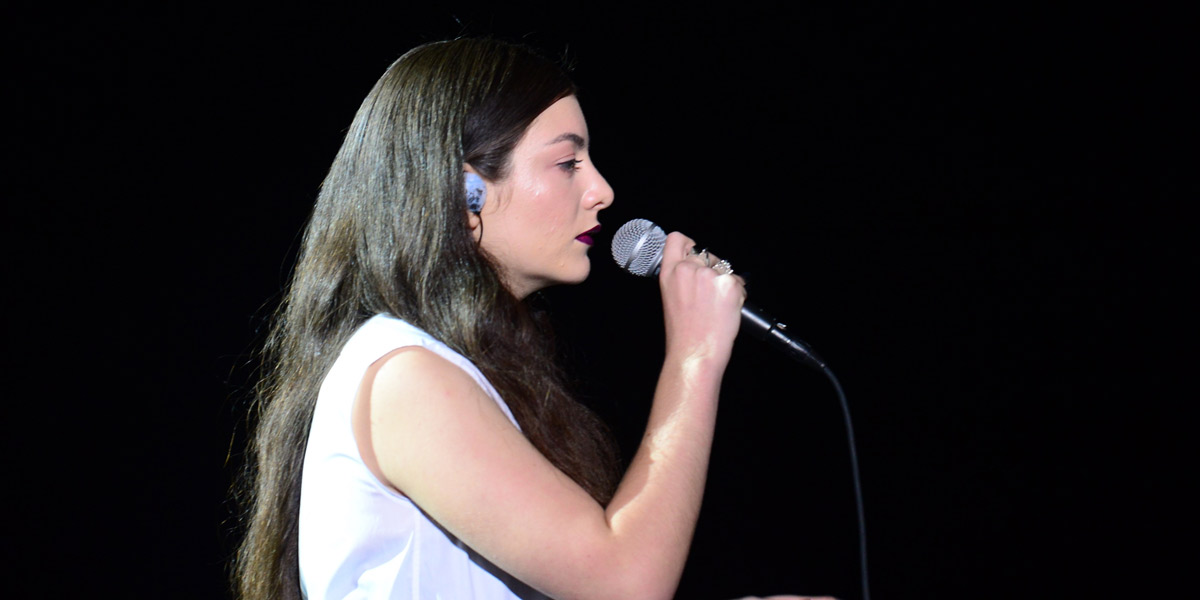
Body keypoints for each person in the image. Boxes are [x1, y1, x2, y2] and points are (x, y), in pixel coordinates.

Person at [235, 37, 825, 600]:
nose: (602, 190)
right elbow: (625, 582)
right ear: (466, 194)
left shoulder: (449, 368)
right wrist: (695, 356)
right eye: (568, 162)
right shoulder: (404, 376)